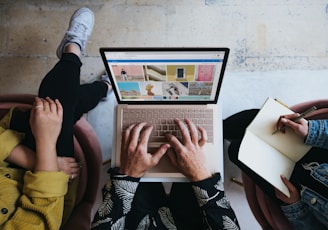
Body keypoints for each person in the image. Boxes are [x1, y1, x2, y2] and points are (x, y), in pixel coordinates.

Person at [0, 7, 111, 229]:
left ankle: (84, 63)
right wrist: (46, 144)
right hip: (50, 187)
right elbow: (43, 208)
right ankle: (75, 54)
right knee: (60, 103)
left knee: (58, 103)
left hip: (12, 149)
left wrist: (32, 157)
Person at [92, 118, 240, 230]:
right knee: (190, 147)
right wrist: (200, 175)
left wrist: (128, 175)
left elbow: (104, 224)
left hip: (136, 222)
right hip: (196, 222)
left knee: (135, 151)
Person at [223, 109, 328, 229]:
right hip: (315, 145)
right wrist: (313, 130)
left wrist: (295, 205)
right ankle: (214, 130)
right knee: (254, 121)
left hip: (295, 191)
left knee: (236, 151)